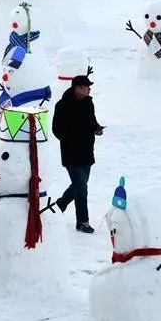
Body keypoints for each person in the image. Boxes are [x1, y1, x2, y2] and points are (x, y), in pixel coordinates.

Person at [52, 74, 104, 233]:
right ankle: (82, 221)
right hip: (71, 152)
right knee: (81, 187)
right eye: (86, 87)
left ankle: (60, 205)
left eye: (89, 87)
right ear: (77, 88)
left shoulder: (89, 103)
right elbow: (56, 129)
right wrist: (70, 138)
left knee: (79, 185)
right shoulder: (62, 105)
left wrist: (97, 128)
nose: (89, 89)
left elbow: (92, 120)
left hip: (87, 151)